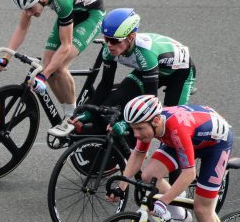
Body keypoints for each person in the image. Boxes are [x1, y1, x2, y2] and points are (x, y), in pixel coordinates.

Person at [107, 95, 233, 222]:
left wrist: (163, 201)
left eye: (140, 129)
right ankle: (181, 215)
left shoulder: (176, 128)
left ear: (155, 121)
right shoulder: (151, 123)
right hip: (186, 139)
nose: (136, 134)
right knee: (148, 175)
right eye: (133, 129)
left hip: (215, 145)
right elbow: (138, 155)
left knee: (203, 209)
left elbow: (189, 174)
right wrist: (121, 185)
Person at [56, 8, 196, 138]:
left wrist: (127, 124)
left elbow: (150, 102)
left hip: (179, 73)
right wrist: (90, 111)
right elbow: (105, 84)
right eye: (106, 38)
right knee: (115, 100)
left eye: (115, 40)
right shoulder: (109, 50)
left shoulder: (145, 54)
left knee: (170, 125)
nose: (109, 44)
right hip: (148, 70)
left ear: (131, 37)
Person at [0, 0, 105, 136]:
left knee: (57, 66)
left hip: (90, 15)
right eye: (24, 9)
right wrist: (6, 57)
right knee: (48, 64)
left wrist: (44, 76)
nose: (28, 13)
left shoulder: (62, 1)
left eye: (30, 9)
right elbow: (22, 28)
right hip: (70, 10)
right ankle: (67, 111)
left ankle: (72, 116)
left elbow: (66, 46)